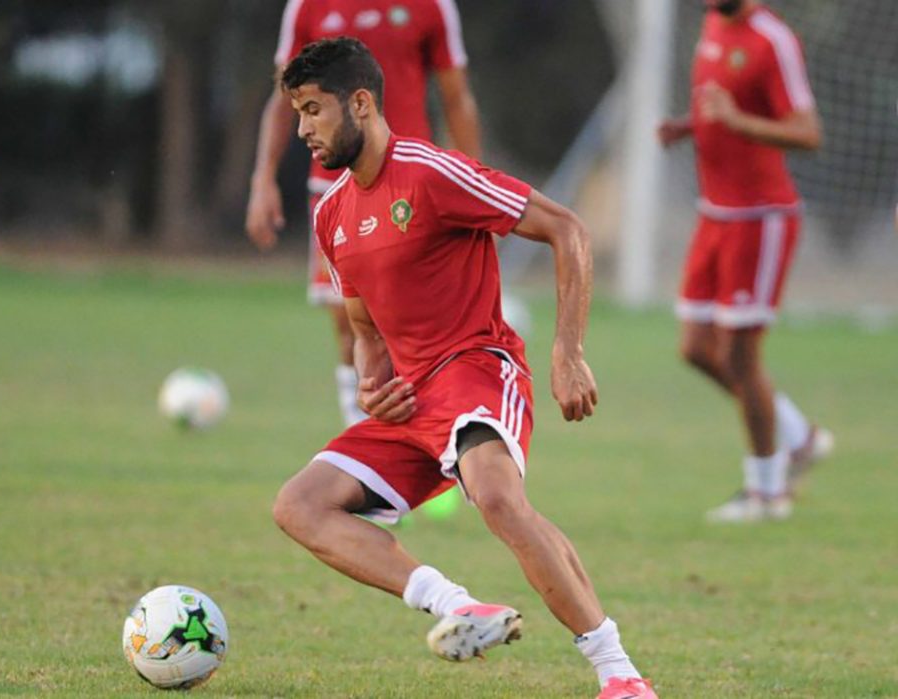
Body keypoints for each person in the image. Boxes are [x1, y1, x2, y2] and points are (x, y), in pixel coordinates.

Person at [271, 38, 657, 699]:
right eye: (298, 113)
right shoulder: (332, 213)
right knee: (299, 505)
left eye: (313, 109)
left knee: (499, 499)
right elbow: (365, 330)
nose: (302, 129)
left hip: (477, 368)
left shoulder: (431, 173)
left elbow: (568, 230)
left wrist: (567, 350)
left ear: (361, 103)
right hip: (411, 406)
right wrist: (373, 382)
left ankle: (619, 673)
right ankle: (455, 604)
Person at [246, 0, 482, 428]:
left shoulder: (433, 6)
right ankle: (366, 446)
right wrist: (263, 179)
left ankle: (436, 437)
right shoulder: (306, 7)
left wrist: (472, 186)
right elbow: (283, 99)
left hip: (412, 187)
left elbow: (456, 97)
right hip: (332, 185)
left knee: (412, 322)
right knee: (349, 321)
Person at [658, 0, 833, 523]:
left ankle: (768, 493)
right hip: (715, 212)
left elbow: (808, 133)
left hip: (762, 217)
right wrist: (691, 127)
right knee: (695, 347)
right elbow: (725, 109)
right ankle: (800, 436)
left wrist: (735, 120)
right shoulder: (714, 22)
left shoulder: (772, 40)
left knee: (740, 357)